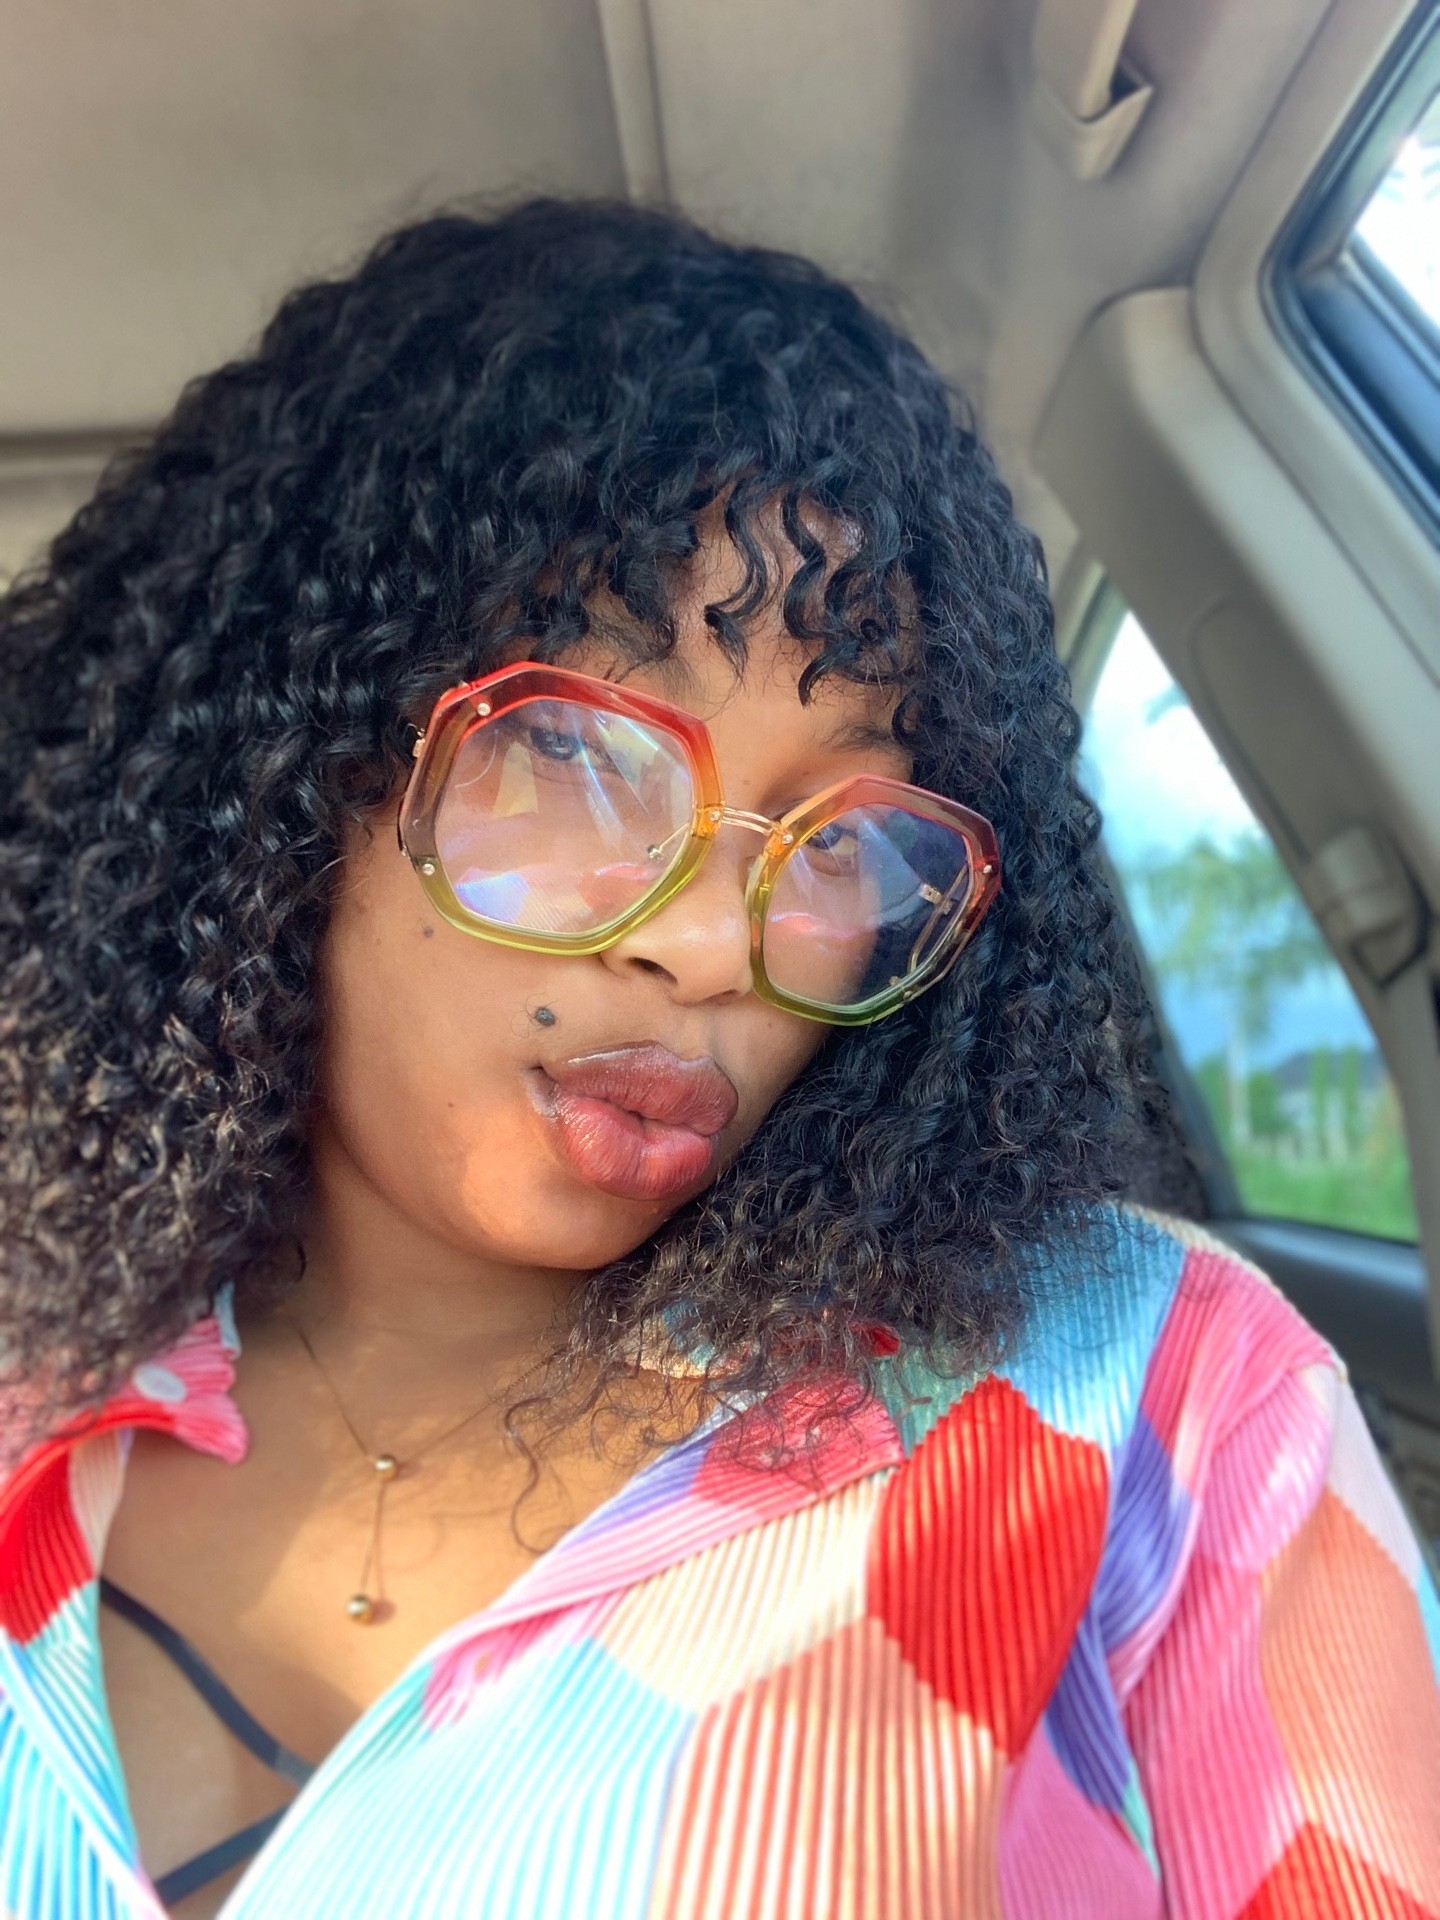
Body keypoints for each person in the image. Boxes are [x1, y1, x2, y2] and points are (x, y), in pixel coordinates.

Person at [0, 199, 1436, 1920]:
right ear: (284, 761)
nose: (706, 944)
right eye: (579, 755)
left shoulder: (1158, 1401)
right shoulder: (35, 1383)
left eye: (849, 838)